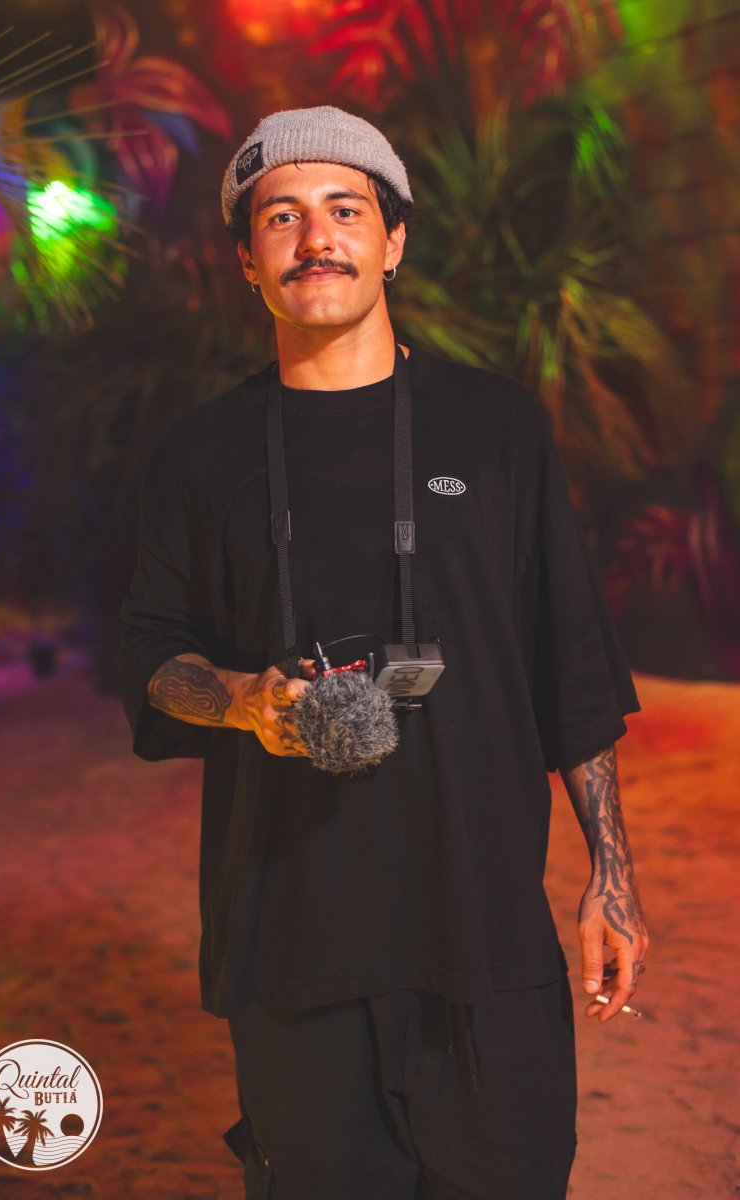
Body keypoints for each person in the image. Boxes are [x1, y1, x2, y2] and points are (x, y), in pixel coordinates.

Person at [119, 105, 650, 1200]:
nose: (316, 238)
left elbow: (570, 662)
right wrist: (242, 701)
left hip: (483, 932)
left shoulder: (498, 429)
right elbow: (151, 658)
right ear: (248, 261)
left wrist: (613, 875)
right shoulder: (201, 455)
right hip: (292, 941)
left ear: (393, 241)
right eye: (281, 217)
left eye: (345, 210)